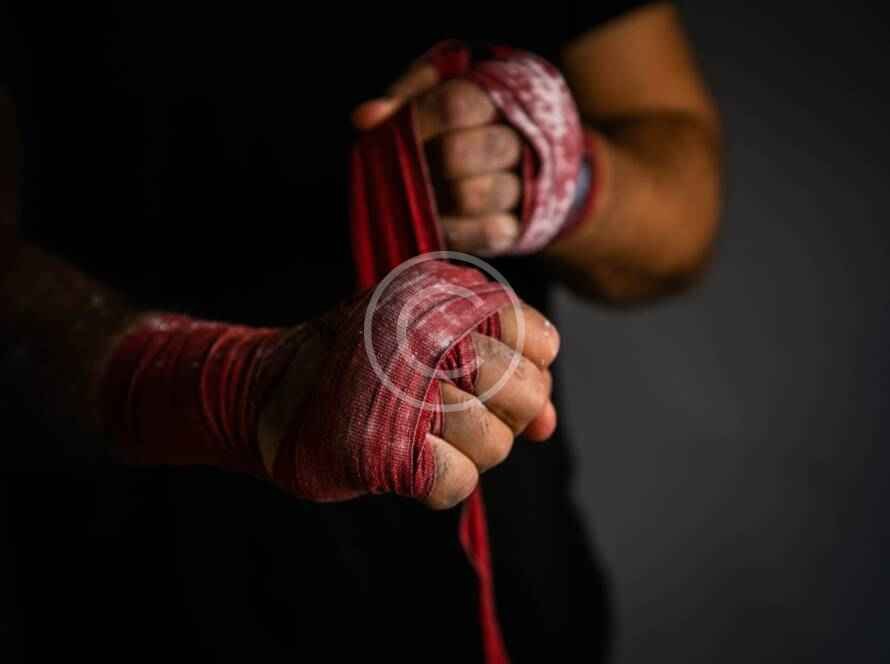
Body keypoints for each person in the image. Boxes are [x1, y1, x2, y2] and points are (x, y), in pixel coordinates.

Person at [0, 1, 721, 662]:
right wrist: (233, 389)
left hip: (507, 593)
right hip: (130, 587)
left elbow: (686, 214)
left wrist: (564, 176)